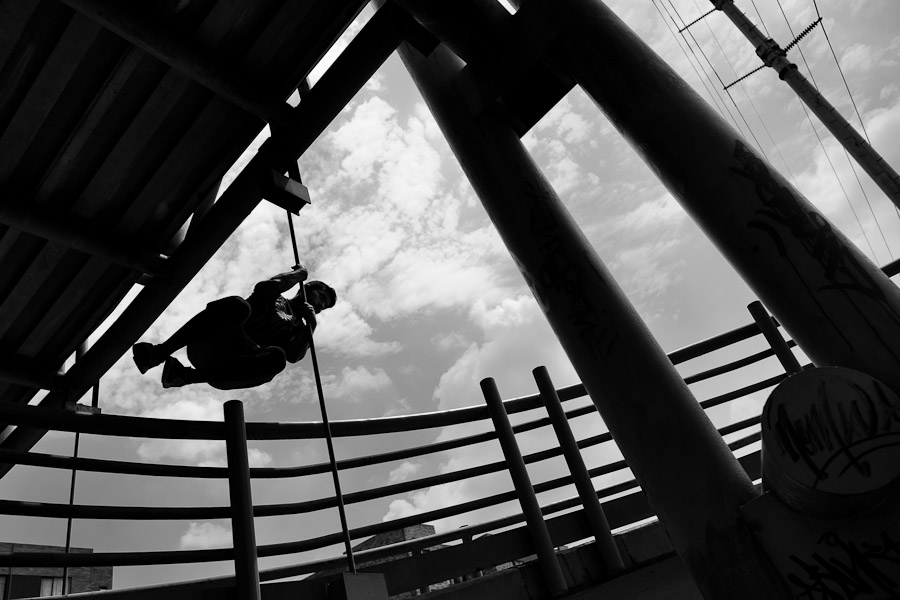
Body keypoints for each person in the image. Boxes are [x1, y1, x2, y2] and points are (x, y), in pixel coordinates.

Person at [132, 265, 336, 390]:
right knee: (238, 306)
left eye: (323, 307)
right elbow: (265, 287)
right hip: (215, 340)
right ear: (309, 288)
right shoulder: (277, 296)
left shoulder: (298, 330)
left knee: (277, 357)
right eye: (322, 298)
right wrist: (300, 274)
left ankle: (186, 376)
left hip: (228, 366)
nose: (320, 305)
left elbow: (294, 356)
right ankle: (158, 353)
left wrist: (311, 325)